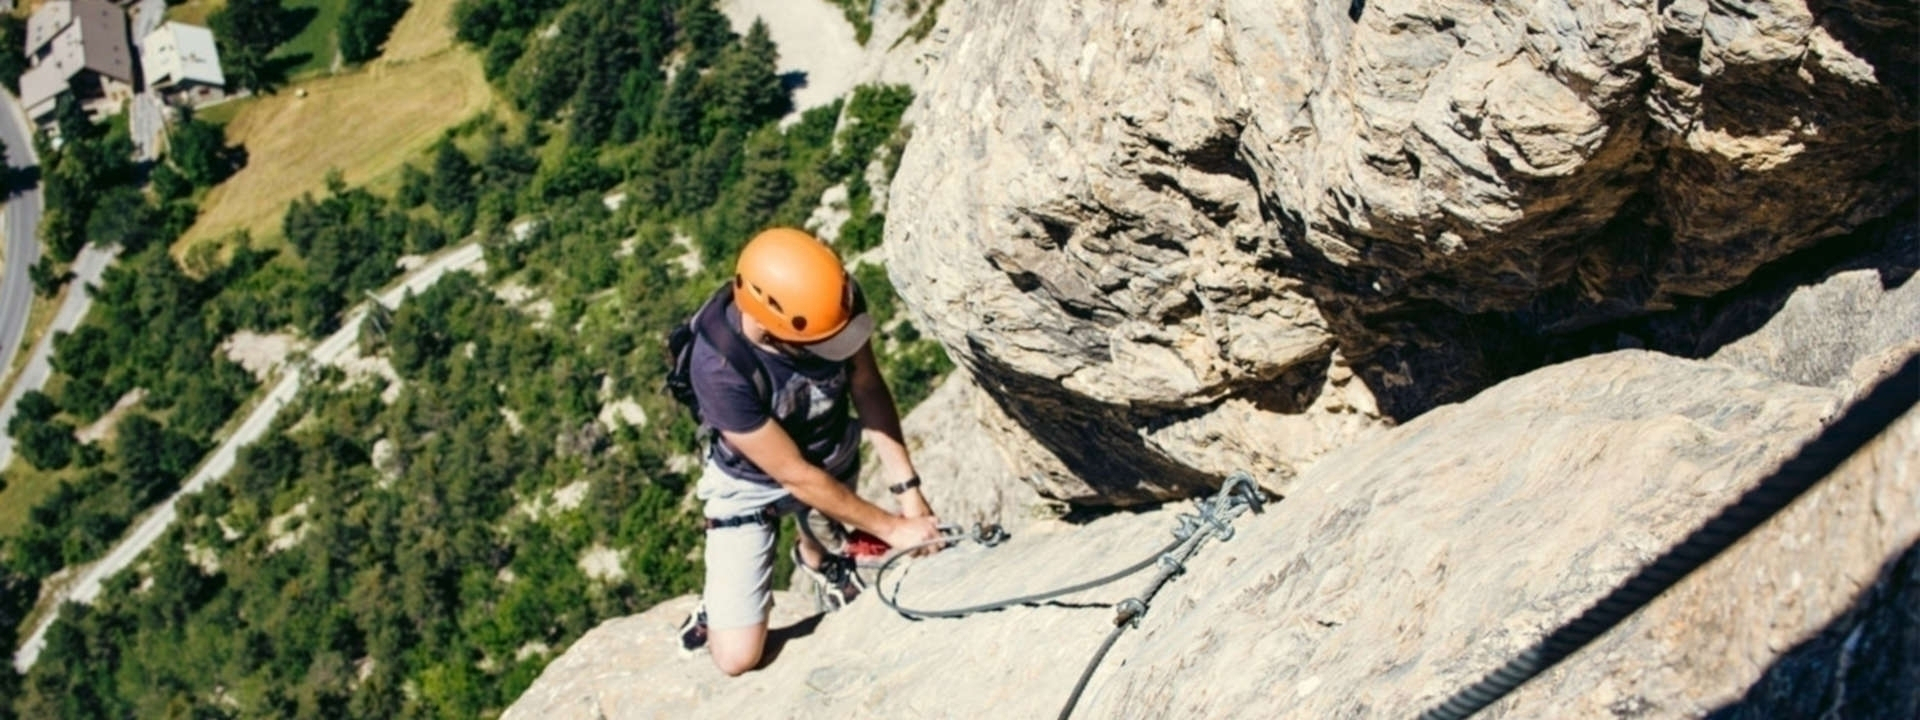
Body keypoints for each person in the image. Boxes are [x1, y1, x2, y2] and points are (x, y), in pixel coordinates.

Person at [677, 227, 945, 676]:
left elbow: (867, 385)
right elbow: (794, 476)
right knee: (737, 658)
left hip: (829, 446)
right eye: (816, 344)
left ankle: (816, 559)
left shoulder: (830, 307)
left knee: (824, 531)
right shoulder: (719, 367)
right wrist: (894, 529)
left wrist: (908, 491)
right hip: (751, 483)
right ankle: (721, 604)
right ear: (766, 320)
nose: (830, 350)